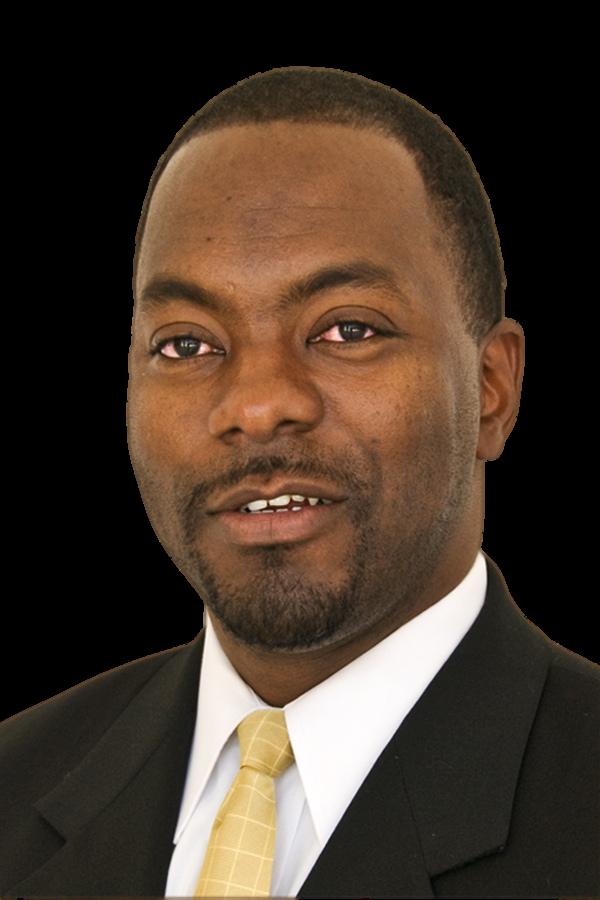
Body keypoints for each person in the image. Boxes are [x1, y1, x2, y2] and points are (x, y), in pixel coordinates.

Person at [1, 66, 598, 899]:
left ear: (493, 387)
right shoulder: (15, 783)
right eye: (186, 344)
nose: (255, 406)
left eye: (347, 329)